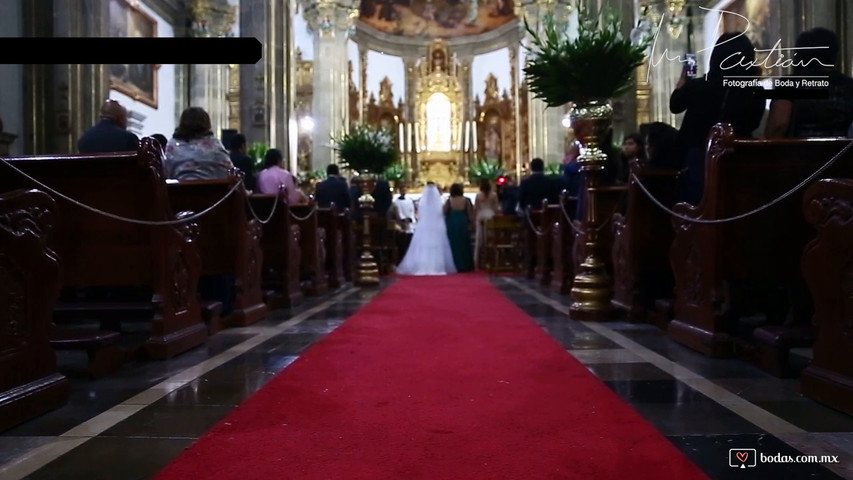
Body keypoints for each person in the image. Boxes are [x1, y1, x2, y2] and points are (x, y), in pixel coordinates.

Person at [669, 32, 765, 204]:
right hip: (739, 155)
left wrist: (684, 80)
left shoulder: (699, 85)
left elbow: (675, 105)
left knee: (697, 203)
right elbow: (754, 122)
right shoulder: (754, 91)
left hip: (698, 153)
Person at [764, 28, 853, 139]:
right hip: (840, 152)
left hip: (798, 152)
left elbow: (779, 125)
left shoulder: (789, 84)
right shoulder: (848, 86)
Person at [396, 183, 457, 276]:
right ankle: (437, 265)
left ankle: (422, 264)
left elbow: (419, 214)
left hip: (424, 227)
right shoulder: (439, 202)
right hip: (436, 227)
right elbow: (441, 214)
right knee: (436, 245)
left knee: (423, 244)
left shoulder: (422, 202)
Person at [164, 107, 234, 181]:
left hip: (178, 191)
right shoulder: (214, 144)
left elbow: (165, 171)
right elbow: (229, 171)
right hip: (212, 191)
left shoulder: (172, 144)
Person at [444, 183, 475, 272]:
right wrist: (472, 224)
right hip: (462, 221)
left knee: (453, 243)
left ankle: (455, 264)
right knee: (464, 243)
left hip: (452, 222)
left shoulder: (449, 200)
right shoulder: (466, 200)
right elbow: (470, 214)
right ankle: (466, 265)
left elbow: (444, 211)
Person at [473, 178, 499, 269]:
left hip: (481, 216)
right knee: (491, 239)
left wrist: (473, 220)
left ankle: (479, 262)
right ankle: (492, 261)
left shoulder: (478, 196)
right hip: (490, 216)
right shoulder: (494, 195)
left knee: (480, 240)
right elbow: (496, 208)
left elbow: (476, 209)